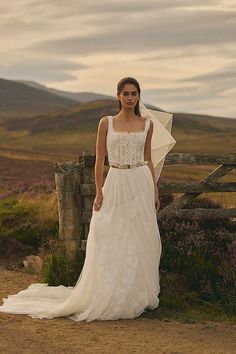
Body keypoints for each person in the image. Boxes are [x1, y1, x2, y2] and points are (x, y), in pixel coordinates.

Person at [0, 77, 176, 322]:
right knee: (108, 233)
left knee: (139, 235)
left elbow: (148, 159)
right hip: (115, 180)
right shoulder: (106, 123)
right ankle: (109, 291)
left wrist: (154, 191)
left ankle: (136, 293)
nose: (130, 98)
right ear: (118, 96)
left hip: (140, 183)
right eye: (125, 93)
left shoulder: (147, 124)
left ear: (138, 96)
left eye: (134, 94)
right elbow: (101, 158)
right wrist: (99, 191)